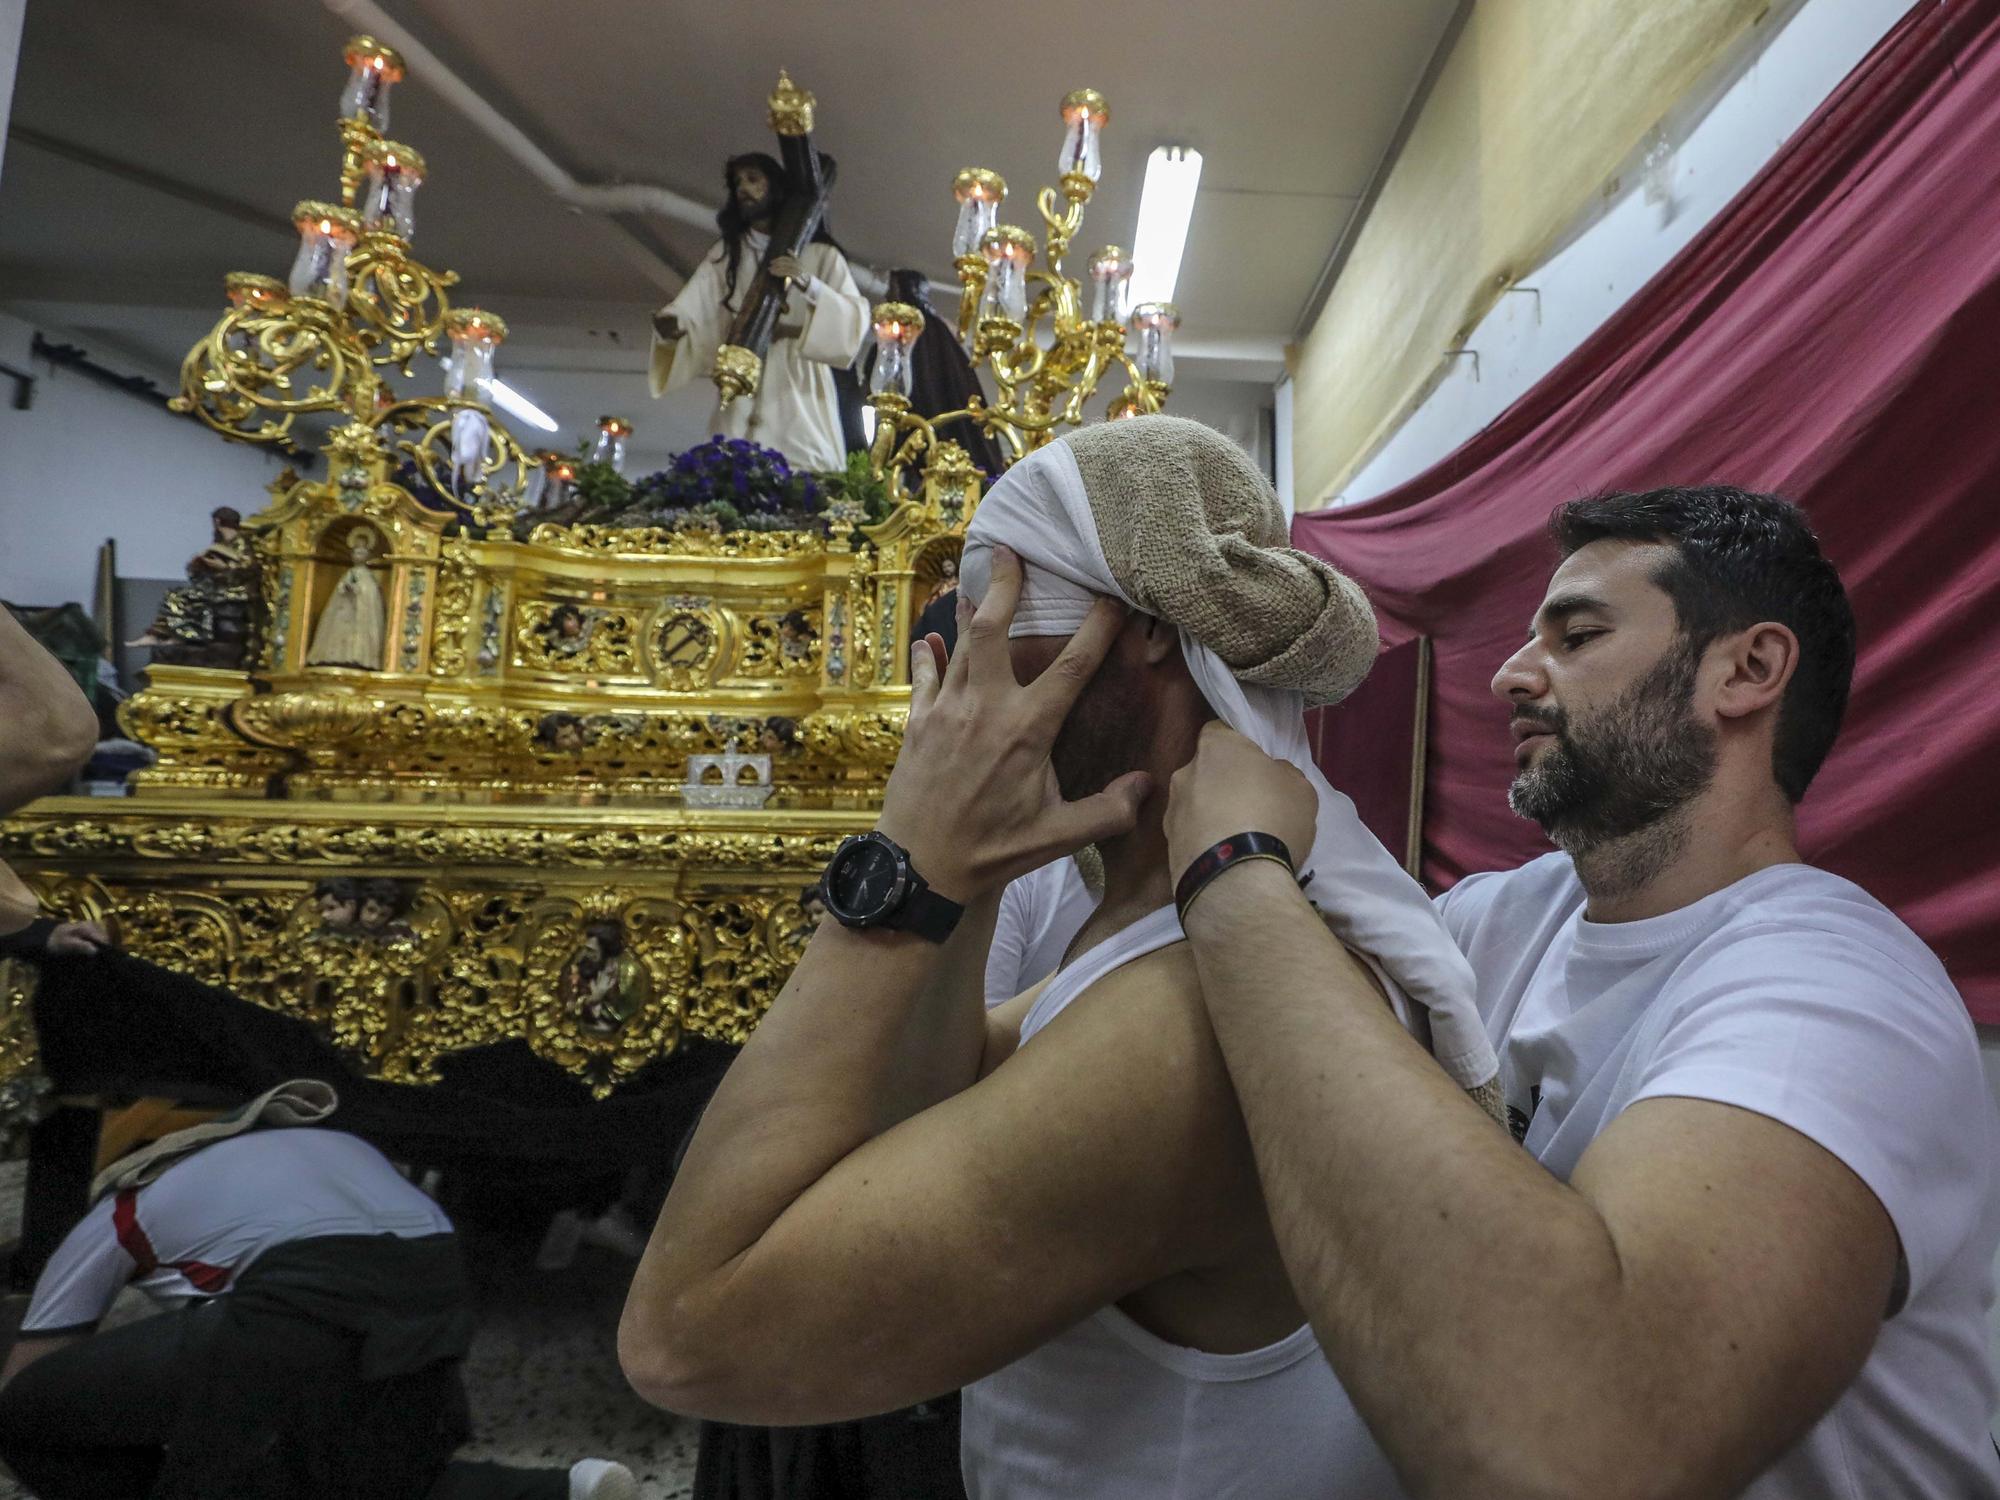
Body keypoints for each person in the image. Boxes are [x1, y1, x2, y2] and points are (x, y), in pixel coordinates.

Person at [618, 416, 1496, 1497]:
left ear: (1145, 631)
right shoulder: (1149, 929)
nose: (959, 649)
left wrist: (903, 869)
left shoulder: (1189, 1016)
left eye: (999, 597)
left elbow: (685, 1340)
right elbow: (922, 1117)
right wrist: (965, 878)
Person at [1160, 486, 2000, 1496]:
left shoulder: (1837, 992)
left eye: (1576, 635)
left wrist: (1233, 873)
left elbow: (1578, 1451)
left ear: (1747, 669)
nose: (1513, 675)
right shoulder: (1497, 919)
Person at [0, 1121, 638, 1499]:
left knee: (22, 1417)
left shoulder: (122, 1208)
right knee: (368, 1471)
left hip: (303, 1289)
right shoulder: (320, 1145)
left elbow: (31, 1375)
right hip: (438, 1274)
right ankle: (565, 1490)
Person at [649, 153, 867, 472]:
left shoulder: (821, 254)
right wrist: (673, 325)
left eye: (753, 179)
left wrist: (808, 283)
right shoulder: (727, 253)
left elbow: (853, 317)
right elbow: (695, 303)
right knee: (730, 462)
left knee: (804, 461)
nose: (743, 189)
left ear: (776, 187)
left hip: (797, 374)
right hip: (744, 367)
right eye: (738, 182)